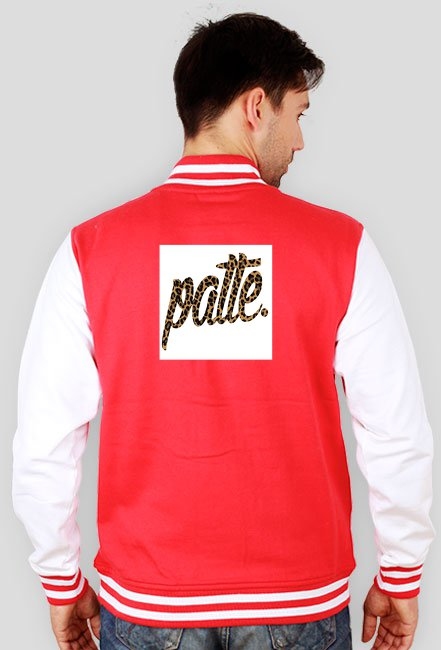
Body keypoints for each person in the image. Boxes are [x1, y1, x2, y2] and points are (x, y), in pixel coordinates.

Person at [12, 12, 434, 650]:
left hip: (150, 603)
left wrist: (61, 581)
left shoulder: (90, 251)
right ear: (256, 107)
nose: (301, 141)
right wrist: (401, 573)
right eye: (299, 114)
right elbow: (396, 432)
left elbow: (45, 441)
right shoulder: (342, 247)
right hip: (298, 604)